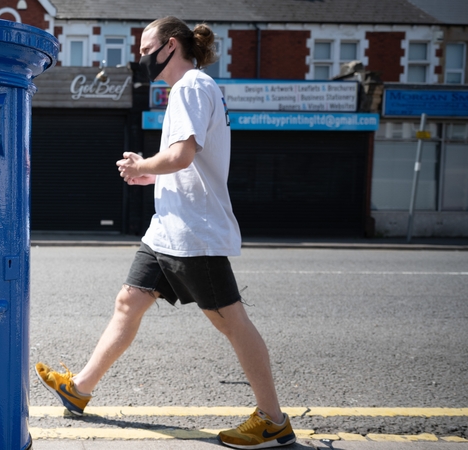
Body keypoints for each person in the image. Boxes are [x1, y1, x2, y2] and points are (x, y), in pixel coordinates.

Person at [35, 17, 296, 449]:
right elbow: (186, 164)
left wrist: (143, 166)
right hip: (168, 230)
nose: (141, 57)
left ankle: (273, 419)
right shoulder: (187, 89)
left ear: (171, 45)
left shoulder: (192, 87)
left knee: (231, 322)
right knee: (128, 302)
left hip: (194, 232)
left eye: (146, 48)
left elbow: (181, 155)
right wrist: (149, 177)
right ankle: (79, 388)